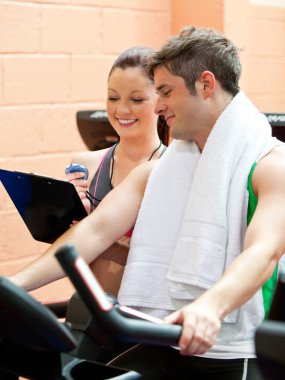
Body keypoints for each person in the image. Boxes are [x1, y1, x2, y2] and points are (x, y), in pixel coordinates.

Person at [8, 25, 285, 379]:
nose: (160, 106)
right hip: (166, 342)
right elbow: (91, 233)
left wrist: (209, 308)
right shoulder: (160, 172)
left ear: (206, 84)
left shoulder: (271, 166)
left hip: (234, 353)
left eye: (166, 92)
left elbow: (264, 253)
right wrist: (13, 286)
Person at [65, 46, 168, 296]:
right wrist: (64, 223)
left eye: (136, 99)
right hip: (90, 312)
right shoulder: (86, 166)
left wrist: (96, 238)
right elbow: (72, 261)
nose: (121, 110)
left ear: (161, 102)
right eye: (113, 98)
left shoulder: (172, 171)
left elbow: (168, 264)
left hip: (145, 321)